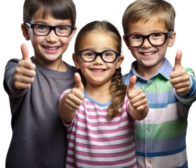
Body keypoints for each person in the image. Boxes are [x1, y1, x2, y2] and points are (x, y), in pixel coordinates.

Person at [2, 0, 78, 168]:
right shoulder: (18, 67)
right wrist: (20, 78)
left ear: (73, 33)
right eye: (42, 27)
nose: (52, 38)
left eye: (61, 28)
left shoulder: (79, 77)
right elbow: (13, 81)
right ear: (25, 31)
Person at [121, 0, 196, 168]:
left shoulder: (181, 76)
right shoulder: (121, 83)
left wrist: (186, 85)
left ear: (171, 38)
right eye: (137, 36)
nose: (146, 44)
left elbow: (191, 91)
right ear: (126, 42)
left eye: (156, 35)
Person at [58, 17, 149, 167]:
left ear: (119, 61)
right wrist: (69, 103)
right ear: (75, 60)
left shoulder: (127, 98)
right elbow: (65, 111)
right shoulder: (73, 97)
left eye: (107, 54)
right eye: (89, 54)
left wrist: (141, 106)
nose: (98, 61)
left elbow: (139, 113)